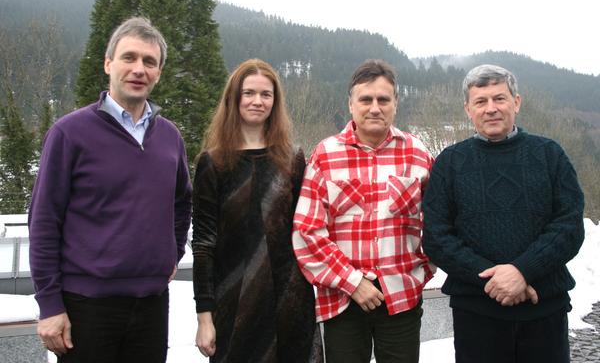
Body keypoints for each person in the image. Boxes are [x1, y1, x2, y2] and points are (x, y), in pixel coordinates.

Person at [28, 17, 192, 362]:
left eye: (149, 62)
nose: (139, 69)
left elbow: (182, 202)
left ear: (159, 72)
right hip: (86, 307)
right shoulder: (70, 133)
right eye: (129, 58)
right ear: (108, 64)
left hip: (151, 304)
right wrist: (49, 305)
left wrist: (171, 253)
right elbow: (44, 221)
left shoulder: (169, 138)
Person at [422, 64, 585, 363]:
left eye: (499, 98)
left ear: (517, 102)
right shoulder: (449, 163)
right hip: (477, 314)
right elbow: (436, 237)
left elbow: (569, 226)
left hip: (544, 309)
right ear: (468, 109)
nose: (491, 109)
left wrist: (523, 270)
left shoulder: (550, 155)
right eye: (481, 101)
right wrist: (494, 281)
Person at [293, 59, 434, 363]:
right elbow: (307, 231)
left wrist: (423, 270)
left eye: (383, 99)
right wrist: (353, 282)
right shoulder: (325, 155)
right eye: (365, 99)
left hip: (402, 299)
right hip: (343, 301)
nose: (374, 108)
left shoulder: (418, 154)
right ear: (351, 104)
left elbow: (439, 222)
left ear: (395, 103)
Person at [192, 58, 323, 363]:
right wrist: (204, 316)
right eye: (248, 93)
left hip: (290, 300)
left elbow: (305, 229)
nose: (257, 101)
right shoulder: (214, 164)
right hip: (234, 300)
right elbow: (203, 244)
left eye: (266, 94)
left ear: (275, 102)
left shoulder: (292, 159)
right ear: (234, 98)